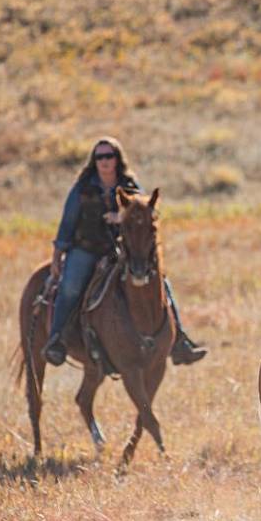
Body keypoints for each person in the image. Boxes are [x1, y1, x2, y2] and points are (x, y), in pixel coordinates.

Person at [44, 137, 207, 366]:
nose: (104, 161)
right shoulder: (83, 188)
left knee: (161, 282)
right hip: (86, 248)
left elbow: (143, 210)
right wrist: (57, 256)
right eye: (99, 157)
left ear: (117, 159)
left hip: (118, 250)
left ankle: (180, 340)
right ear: (94, 161)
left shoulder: (130, 184)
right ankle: (57, 339)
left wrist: (123, 217)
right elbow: (67, 223)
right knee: (70, 286)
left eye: (109, 156)